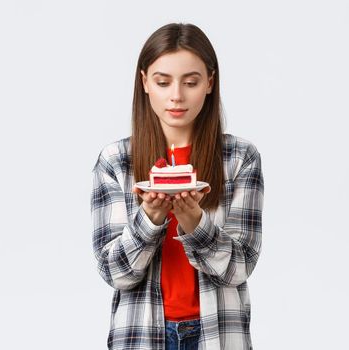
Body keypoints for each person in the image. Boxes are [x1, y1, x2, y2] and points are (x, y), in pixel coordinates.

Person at [91, 22, 264, 350]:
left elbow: (240, 266)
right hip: (141, 334)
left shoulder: (240, 159)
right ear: (144, 82)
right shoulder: (115, 161)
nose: (176, 96)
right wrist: (150, 219)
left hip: (218, 334)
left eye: (191, 82)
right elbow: (114, 271)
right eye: (162, 81)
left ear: (209, 83)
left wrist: (195, 223)